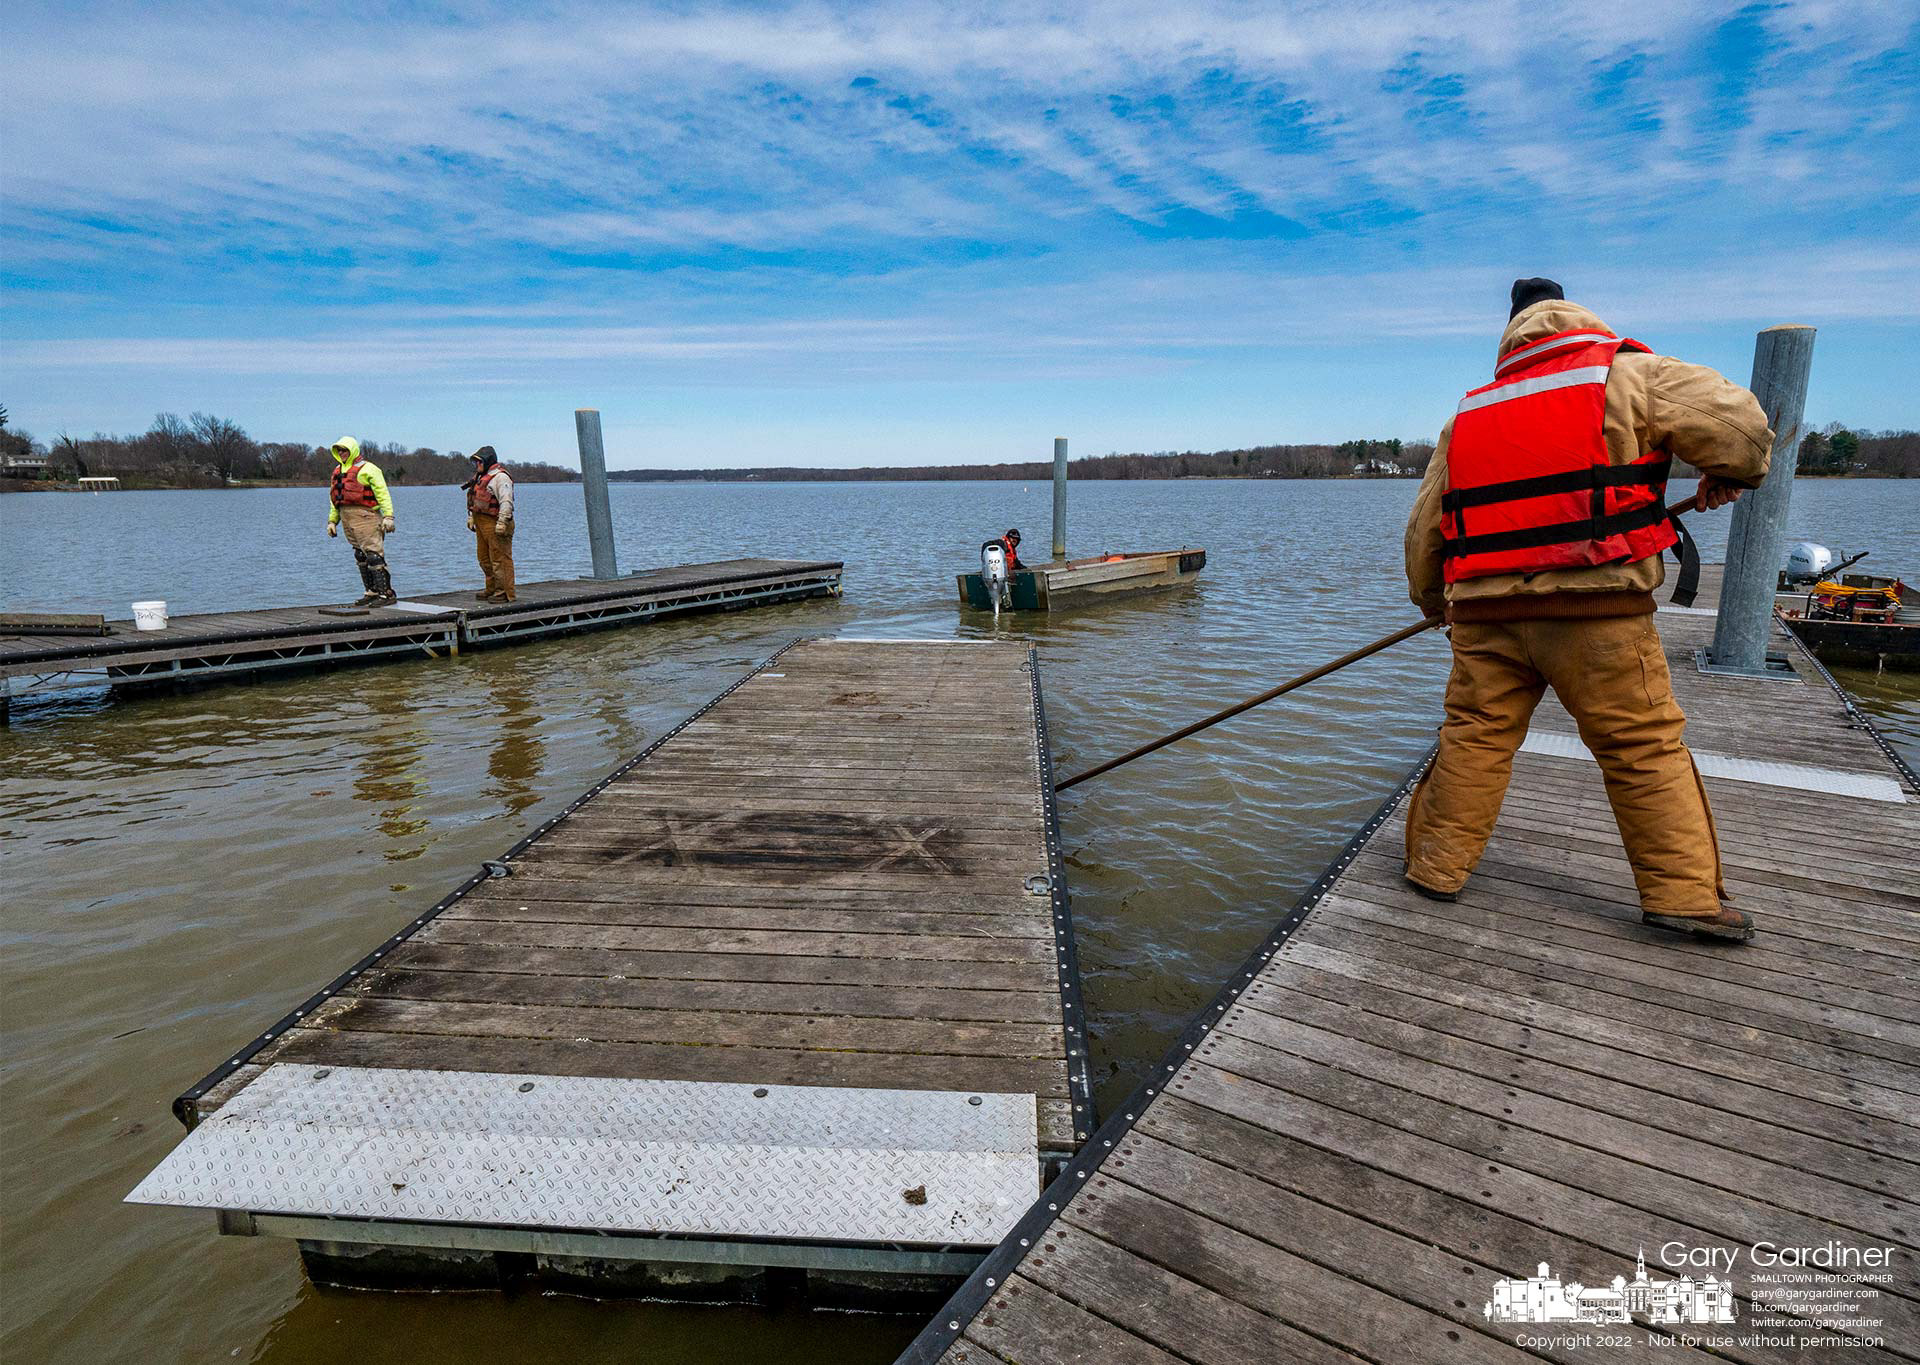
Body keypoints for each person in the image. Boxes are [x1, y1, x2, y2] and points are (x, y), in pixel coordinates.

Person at [1402, 278, 1773, 941]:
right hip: (1597, 613)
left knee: (1475, 737)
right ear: (1572, 314)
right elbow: (1741, 428)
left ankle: (1435, 866)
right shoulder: (1628, 374)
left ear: (1510, 331)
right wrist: (1735, 474)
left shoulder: (1468, 414)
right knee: (1640, 746)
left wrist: (1434, 603)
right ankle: (1683, 898)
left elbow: (1426, 528)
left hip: (1485, 617)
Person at [326, 436, 397, 606]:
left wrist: (388, 516)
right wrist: (332, 521)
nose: (342, 453)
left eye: (345, 450)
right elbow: (334, 499)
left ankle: (386, 594)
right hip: (346, 517)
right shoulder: (337, 471)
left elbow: (382, 493)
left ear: (352, 450)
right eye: (339, 450)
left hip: (366, 516)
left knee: (373, 554)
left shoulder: (369, 469)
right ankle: (371, 592)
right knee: (360, 554)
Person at [464, 445, 516, 603]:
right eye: (476, 462)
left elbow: (506, 501)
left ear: (487, 461)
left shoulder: (501, 477)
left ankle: (505, 593)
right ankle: (492, 588)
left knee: (500, 558)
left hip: (496, 522)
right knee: (484, 558)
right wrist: (472, 517)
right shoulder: (481, 477)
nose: (477, 465)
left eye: (479, 462)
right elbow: (475, 499)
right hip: (481, 522)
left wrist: (502, 521)